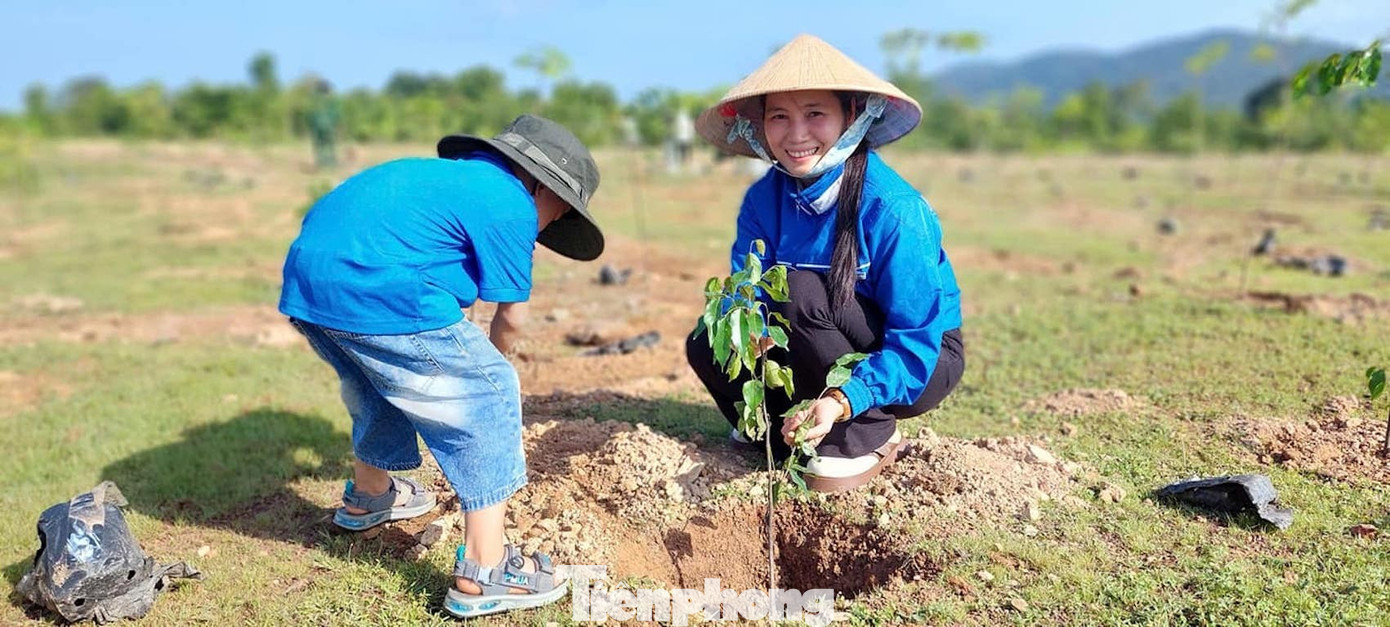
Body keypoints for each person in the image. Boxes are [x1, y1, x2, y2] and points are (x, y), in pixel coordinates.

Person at [278, 114, 603, 618]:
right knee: (490, 392)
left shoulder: (450, 181)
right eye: (561, 211)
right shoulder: (512, 203)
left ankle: (370, 496)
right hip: (380, 287)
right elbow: (511, 319)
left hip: (309, 284)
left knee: (378, 378)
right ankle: (486, 569)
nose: (554, 224)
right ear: (541, 186)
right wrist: (488, 374)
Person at [686, 34, 965, 493]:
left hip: (917, 354)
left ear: (851, 116)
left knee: (798, 292)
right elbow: (746, 289)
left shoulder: (894, 209)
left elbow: (915, 339)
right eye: (779, 116)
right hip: (816, 332)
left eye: (815, 114)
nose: (796, 135)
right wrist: (750, 333)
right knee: (708, 337)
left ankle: (864, 430)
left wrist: (843, 397)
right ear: (761, 125)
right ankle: (779, 424)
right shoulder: (762, 200)